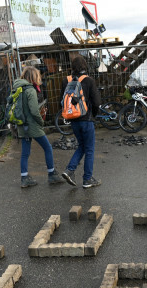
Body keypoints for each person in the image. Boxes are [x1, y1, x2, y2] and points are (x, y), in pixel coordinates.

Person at [15, 66, 64, 187]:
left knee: (25, 153)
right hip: (32, 126)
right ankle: (52, 174)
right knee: (47, 148)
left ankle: (24, 178)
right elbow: (34, 110)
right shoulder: (30, 90)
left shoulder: (17, 88)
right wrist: (41, 122)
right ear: (33, 77)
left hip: (22, 125)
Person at [61, 55, 102, 188]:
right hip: (86, 120)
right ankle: (87, 179)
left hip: (73, 119)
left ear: (72, 67)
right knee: (89, 149)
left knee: (82, 146)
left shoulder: (66, 80)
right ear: (85, 66)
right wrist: (93, 116)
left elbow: (61, 101)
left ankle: (70, 170)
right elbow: (96, 102)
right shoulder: (89, 81)